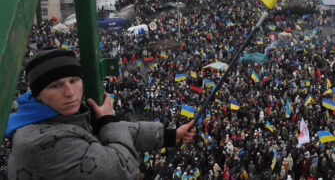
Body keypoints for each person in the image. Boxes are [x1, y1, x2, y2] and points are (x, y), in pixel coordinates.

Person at [5, 48, 196, 179]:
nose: (70, 92)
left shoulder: (53, 115)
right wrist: (107, 121)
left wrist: (170, 135)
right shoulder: (43, 142)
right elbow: (120, 169)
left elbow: (108, 130)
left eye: (73, 80)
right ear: (38, 93)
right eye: (56, 85)